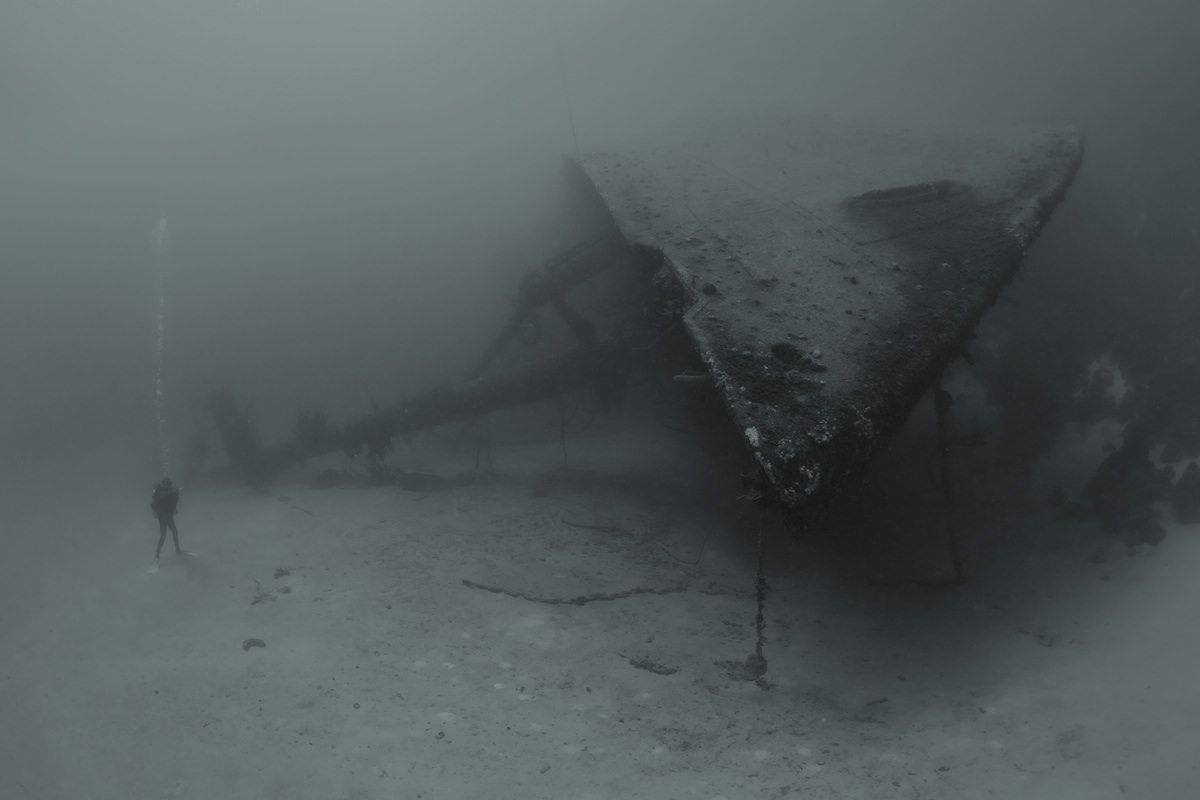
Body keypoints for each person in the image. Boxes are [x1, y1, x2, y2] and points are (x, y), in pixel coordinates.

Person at [150, 476, 185, 567]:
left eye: (168, 484)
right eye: (166, 484)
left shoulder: (171, 491)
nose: (167, 486)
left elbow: (174, 502)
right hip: (162, 516)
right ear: (163, 484)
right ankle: (157, 555)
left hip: (168, 516)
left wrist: (176, 494)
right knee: (163, 535)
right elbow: (160, 496)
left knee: (175, 532)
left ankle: (177, 549)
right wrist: (172, 492)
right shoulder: (159, 491)